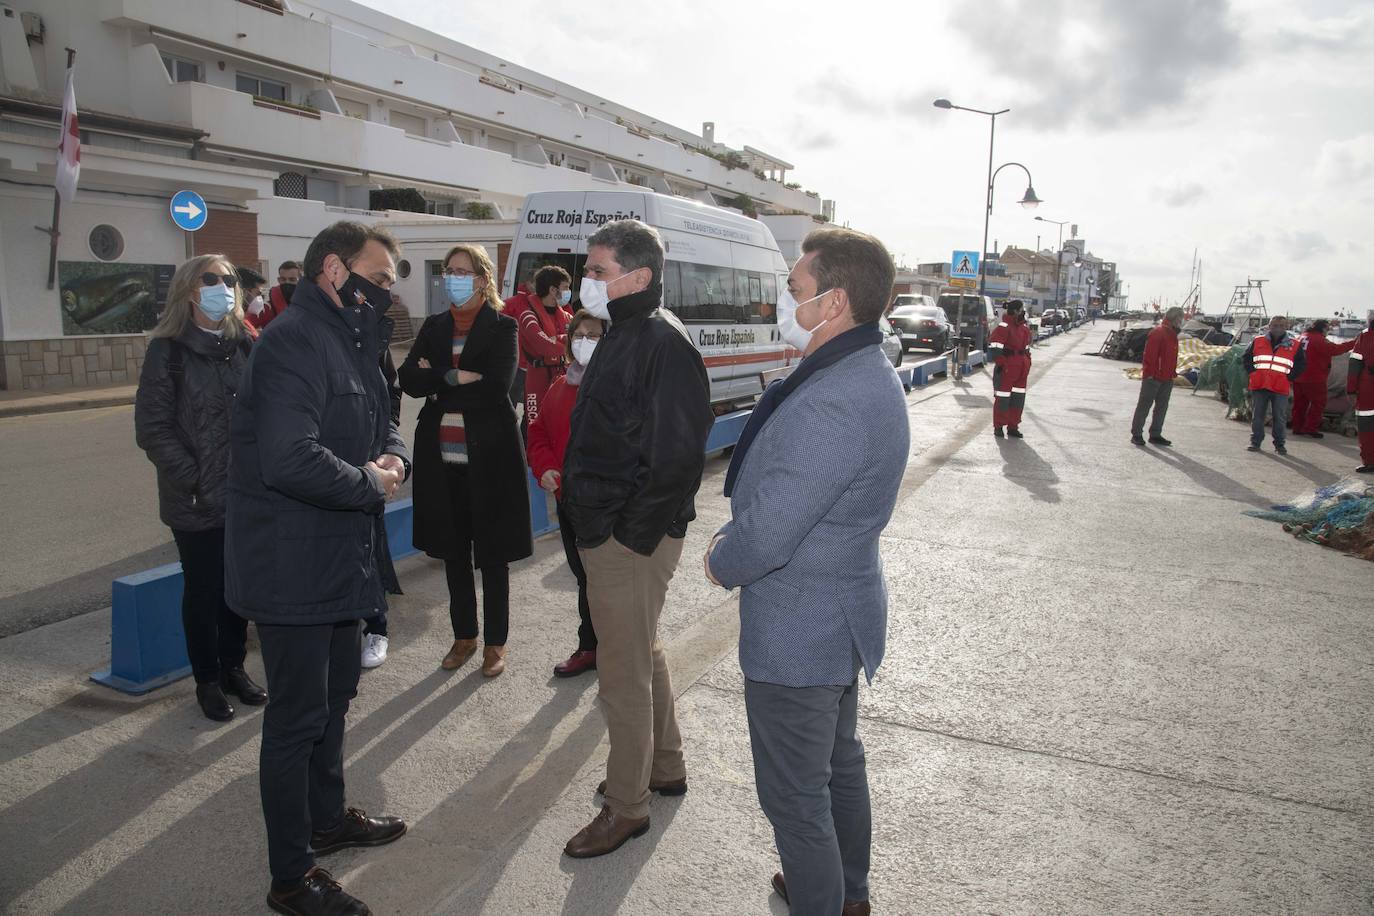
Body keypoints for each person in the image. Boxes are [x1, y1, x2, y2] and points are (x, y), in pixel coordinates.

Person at [704, 228, 907, 916]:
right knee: (837, 766)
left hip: (801, 628)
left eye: (795, 290)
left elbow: (770, 532)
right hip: (836, 615)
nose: (784, 302)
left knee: (795, 797)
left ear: (835, 301)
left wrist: (721, 558)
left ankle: (825, 897)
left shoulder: (838, 396)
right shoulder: (857, 370)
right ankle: (845, 893)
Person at [225, 221, 411, 916]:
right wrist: (369, 483)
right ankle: (290, 877)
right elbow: (288, 457)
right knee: (296, 720)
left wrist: (395, 458)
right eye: (380, 277)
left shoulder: (353, 340)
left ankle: (327, 821)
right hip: (292, 566)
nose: (388, 292)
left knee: (334, 701)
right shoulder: (292, 342)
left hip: (339, 559)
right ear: (335, 270)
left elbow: (384, 420)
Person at [560, 219, 713, 859]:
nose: (585, 282)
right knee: (641, 651)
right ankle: (664, 766)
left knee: (620, 675)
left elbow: (676, 460)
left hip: (627, 538)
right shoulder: (625, 332)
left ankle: (627, 806)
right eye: (587, 270)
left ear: (638, 277)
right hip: (611, 528)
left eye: (598, 271)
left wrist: (627, 539)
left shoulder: (660, 342)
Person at [135, 254, 265, 723]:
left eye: (229, 280)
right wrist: (195, 478)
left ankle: (234, 667)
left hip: (245, 494)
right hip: (194, 498)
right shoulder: (167, 351)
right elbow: (152, 430)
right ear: (190, 288)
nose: (223, 287)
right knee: (204, 590)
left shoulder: (245, 344)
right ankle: (207, 680)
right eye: (211, 279)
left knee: (238, 588)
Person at [399, 244, 532, 678]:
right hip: (442, 459)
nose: (453, 278)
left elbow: (496, 388)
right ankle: (464, 637)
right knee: (453, 552)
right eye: (449, 270)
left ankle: (495, 643)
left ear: (482, 278)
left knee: (493, 555)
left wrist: (437, 381)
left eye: (463, 271)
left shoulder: (503, 326)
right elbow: (409, 380)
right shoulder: (434, 325)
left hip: (489, 458)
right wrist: (453, 375)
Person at [526, 309, 607, 678]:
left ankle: (613, 650)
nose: (584, 341)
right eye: (578, 334)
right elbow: (538, 432)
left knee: (607, 582)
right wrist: (544, 467)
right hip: (568, 501)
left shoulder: (614, 387)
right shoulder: (560, 387)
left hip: (604, 506)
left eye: (593, 334)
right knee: (584, 578)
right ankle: (590, 647)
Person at [361, 289, 406, 669]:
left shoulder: (373, 334)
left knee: (372, 548)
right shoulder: (301, 336)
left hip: (370, 461)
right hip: (330, 464)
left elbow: (391, 391)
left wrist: (390, 443)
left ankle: (376, 628)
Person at [517, 265, 574, 424]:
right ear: (553, 290)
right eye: (565, 288)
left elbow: (577, 341)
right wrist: (565, 342)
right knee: (533, 423)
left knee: (561, 422)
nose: (568, 292)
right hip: (537, 378)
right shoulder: (528, 316)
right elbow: (544, 346)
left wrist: (558, 339)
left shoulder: (567, 317)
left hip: (563, 376)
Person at [1243, 316, 1305, 454]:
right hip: (1260, 384)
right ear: (1269, 326)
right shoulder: (1258, 341)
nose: (1278, 328)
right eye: (1275, 325)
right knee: (1258, 416)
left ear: (1286, 327)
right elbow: (1246, 357)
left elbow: (1301, 364)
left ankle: (1279, 445)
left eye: (1281, 325)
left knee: (1280, 417)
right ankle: (1255, 442)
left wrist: (1290, 377)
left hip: (1280, 386)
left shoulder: (1294, 344)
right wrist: (1252, 372)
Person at [1292, 319, 1357, 438]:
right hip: (1314, 378)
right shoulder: (1319, 339)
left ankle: (1297, 427)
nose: (1328, 331)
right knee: (1318, 403)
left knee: (1300, 404)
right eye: (1327, 329)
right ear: (1322, 328)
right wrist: (1354, 342)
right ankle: (1310, 428)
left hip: (1298, 377)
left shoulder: (1302, 337)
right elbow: (1336, 350)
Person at [1131, 307, 1183, 446]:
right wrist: (1149, 374)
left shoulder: (1172, 334)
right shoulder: (1158, 332)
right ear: (1175, 318)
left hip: (1167, 377)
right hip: (1153, 377)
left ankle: (1155, 434)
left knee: (1162, 407)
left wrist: (1171, 374)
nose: (1181, 321)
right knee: (1144, 405)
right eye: (1180, 318)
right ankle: (1136, 434)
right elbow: (1149, 355)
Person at [987, 299, 1033, 438]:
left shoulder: (1024, 329)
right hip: (1007, 370)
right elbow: (995, 347)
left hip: (1021, 370)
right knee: (1003, 398)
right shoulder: (1004, 327)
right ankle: (999, 426)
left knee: (1018, 400)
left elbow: (1027, 348)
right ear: (1016, 311)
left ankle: (1013, 426)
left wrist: (1027, 362)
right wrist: (1003, 364)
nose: (1023, 312)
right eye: (1021, 309)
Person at [1348, 310, 1374, 473]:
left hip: (1368, 389)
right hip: (1368, 386)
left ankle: (1370, 462)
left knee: (1366, 426)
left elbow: (1354, 364)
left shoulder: (1365, 337)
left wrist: (1351, 389)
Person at [254, 260, 302, 330]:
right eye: (283, 279)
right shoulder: (267, 308)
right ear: (279, 280)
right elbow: (246, 325)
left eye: (292, 279)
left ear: (300, 280)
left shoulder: (309, 304)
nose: (287, 282)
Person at [238, 265, 267, 337]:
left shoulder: (243, 323)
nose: (261, 299)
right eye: (258, 293)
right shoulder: (234, 326)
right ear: (244, 292)